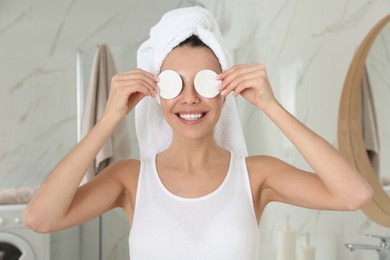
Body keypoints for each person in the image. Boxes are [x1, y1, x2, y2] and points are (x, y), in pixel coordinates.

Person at [24, 7, 372, 260]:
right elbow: (40, 219)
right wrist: (109, 119)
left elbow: (354, 195)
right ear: (157, 92)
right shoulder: (131, 179)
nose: (189, 98)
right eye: (174, 83)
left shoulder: (256, 175)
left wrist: (272, 106)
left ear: (224, 89)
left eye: (205, 82)